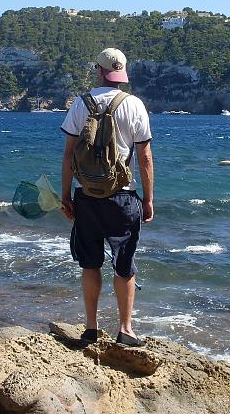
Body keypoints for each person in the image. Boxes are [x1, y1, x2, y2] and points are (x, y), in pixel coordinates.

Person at [60, 48, 154, 347]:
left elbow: (68, 155)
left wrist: (65, 196)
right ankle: (125, 329)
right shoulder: (134, 105)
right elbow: (145, 157)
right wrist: (148, 199)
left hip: (86, 196)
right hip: (123, 197)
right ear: (120, 73)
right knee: (124, 266)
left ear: (98, 71)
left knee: (90, 264)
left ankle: (90, 327)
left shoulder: (80, 104)